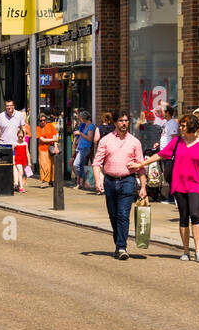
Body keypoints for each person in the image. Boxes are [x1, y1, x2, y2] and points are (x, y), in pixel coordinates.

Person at [136, 113, 199, 262]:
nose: (180, 127)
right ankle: (186, 251)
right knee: (183, 217)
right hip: (178, 184)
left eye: (183, 125)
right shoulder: (176, 142)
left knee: (195, 215)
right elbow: (160, 155)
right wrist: (142, 164)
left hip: (195, 184)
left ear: (191, 127)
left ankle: (198, 251)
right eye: (180, 125)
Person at [92, 109, 147, 260]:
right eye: (121, 121)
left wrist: (143, 187)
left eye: (126, 121)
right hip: (109, 181)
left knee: (123, 214)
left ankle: (121, 247)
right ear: (115, 123)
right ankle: (119, 244)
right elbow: (97, 163)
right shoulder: (106, 140)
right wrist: (98, 181)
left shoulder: (135, 142)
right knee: (113, 216)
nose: (124, 123)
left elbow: (141, 167)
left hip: (127, 181)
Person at [0, 100, 30, 193]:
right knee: (4, 166)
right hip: (3, 144)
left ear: (14, 106)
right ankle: (6, 184)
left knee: (17, 166)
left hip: (16, 145)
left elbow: (23, 129)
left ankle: (17, 184)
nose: (8, 107)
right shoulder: (1, 116)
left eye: (10, 106)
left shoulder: (19, 115)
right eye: (7, 106)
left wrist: (24, 142)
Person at [157, 106, 179, 204]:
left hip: (170, 154)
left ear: (168, 113)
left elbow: (174, 138)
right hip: (165, 153)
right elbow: (166, 137)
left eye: (163, 112)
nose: (161, 114)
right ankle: (171, 197)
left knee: (170, 175)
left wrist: (172, 151)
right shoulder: (167, 123)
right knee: (168, 174)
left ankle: (171, 197)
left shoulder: (172, 124)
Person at [73, 110, 98, 190]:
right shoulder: (85, 125)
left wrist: (80, 133)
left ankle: (80, 178)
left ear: (84, 118)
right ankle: (81, 182)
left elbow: (89, 138)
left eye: (81, 117)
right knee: (80, 165)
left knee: (75, 164)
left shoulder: (90, 126)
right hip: (80, 147)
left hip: (85, 148)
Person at [37, 112, 58, 185]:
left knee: (51, 165)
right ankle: (44, 181)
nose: (43, 122)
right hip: (42, 149)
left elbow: (55, 136)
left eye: (44, 120)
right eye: (41, 120)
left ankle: (51, 181)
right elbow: (42, 139)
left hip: (51, 149)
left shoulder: (50, 126)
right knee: (43, 165)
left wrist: (56, 147)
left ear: (46, 120)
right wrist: (53, 140)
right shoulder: (38, 128)